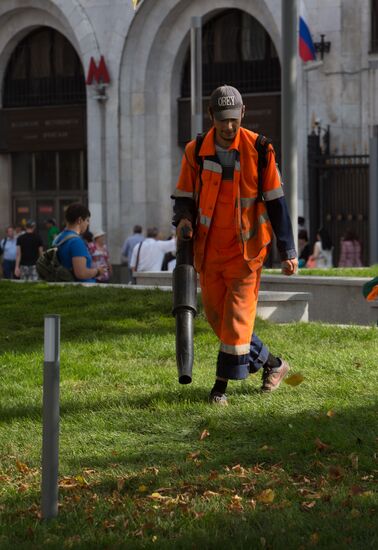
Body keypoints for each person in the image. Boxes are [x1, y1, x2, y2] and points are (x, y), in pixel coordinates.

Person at [172, 84, 298, 405]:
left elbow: (276, 204)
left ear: (243, 114)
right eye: (222, 120)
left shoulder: (261, 150)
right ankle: (275, 364)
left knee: (236, 322)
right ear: (211, 115)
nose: (229, 127)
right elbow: (184, 198)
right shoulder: (194, 150)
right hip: (208, 254)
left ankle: (218, 390)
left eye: (234, 119)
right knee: (220, 321)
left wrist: (288, 251)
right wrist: (183, 220)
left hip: (246, 254)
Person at [54, 203, 106, 283]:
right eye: (87, 220)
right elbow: (81, 273)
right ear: (79, 220)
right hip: (80, 289)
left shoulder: (58, 238)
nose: (88, 224)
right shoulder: (76, 242)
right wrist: (98, 271)